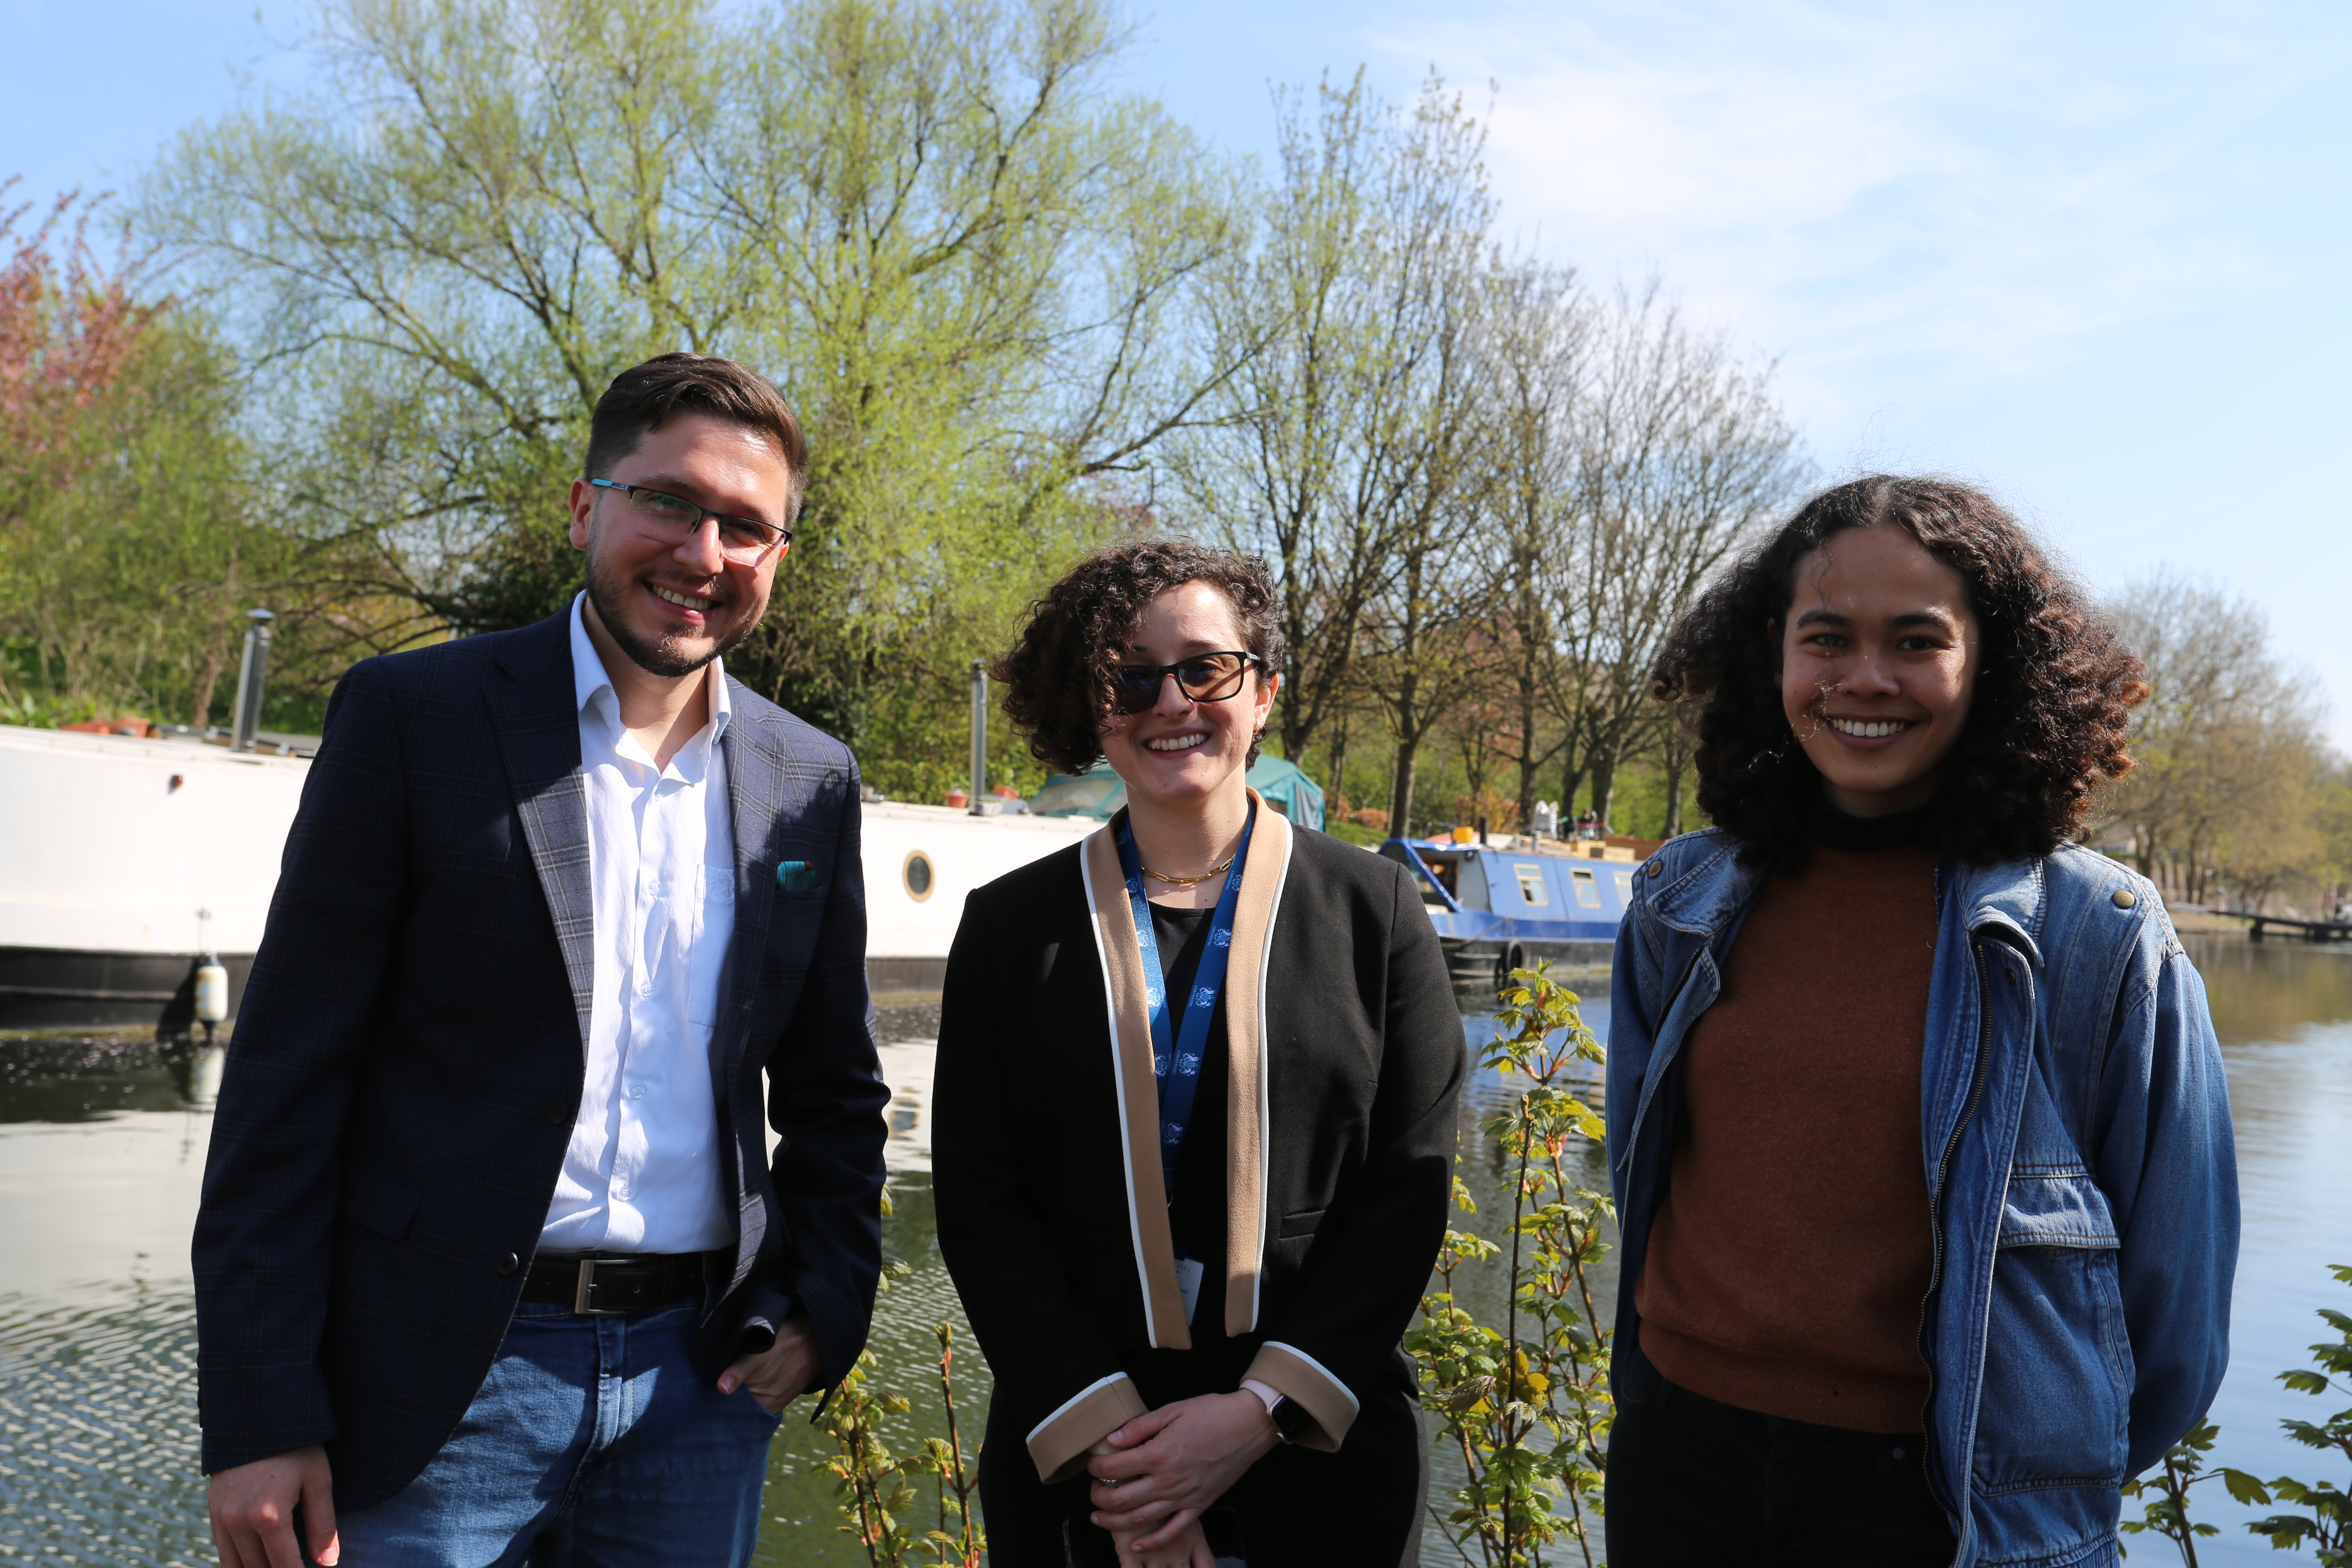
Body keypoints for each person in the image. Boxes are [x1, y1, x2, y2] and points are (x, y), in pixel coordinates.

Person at [194, 352, 890, 1568]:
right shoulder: (416, 720)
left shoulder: (808, 780)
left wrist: (829, 1308)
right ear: (587, 507)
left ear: (778, 556)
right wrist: (259, 1412)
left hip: (702, 1389)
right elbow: (285, 1083)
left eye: (746, 527)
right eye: (668, 501)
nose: (703, 552)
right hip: (437, 1385)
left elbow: (837, 1091)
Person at [1605, 476, 2238, 1568]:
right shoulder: (1681, 902)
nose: (1865, 679)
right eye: (1827, 638)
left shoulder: (2101, 935)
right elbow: (1640, 1169)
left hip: (1936, 1503)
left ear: (1991, 662)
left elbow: (2175, 1318)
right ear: (1774, 653)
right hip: (1679, 1459)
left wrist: (2038, 1479)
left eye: (1915, 641)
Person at [932, 539, 1465, 1567]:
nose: (1169, 700)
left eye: (1204, 669)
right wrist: (1120, 1459)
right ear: (1094, 709)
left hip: (1321, 1455)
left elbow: (1408, 1195)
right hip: (1083, 1469)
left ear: (1261, 692)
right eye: (1129, 676)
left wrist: (1261, 1410)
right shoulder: (1007, 929)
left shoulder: (1380, 913)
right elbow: (979, 1201)